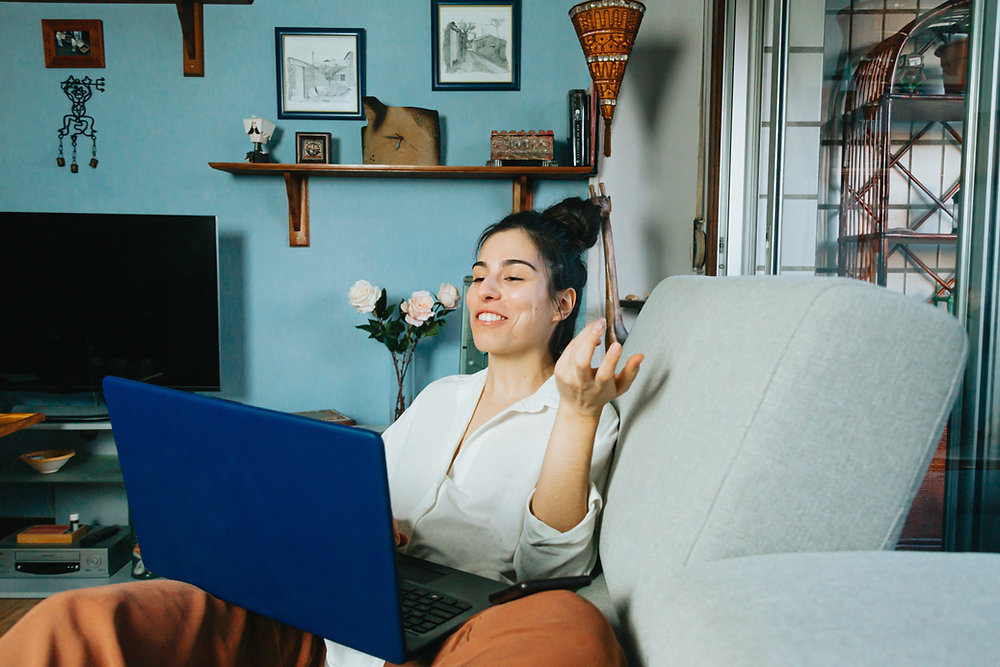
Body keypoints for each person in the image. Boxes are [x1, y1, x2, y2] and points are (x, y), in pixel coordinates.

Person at [0, 197, 643, 667]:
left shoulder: (584, 412)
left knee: (570, 627)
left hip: (459, 633)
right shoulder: (439, 397)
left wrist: (576, 412)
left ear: (562, 304)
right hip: (323, 611)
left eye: (513, 276)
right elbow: (352, 494)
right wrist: (363, 525)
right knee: (80, 619)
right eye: (478, 275)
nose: (485, 292)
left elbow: (552, 567)